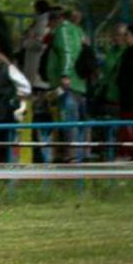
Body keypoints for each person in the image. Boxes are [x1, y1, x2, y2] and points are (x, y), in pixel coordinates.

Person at [46, 9, 89, 161]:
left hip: (68, 83)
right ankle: (82, 154)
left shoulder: (63, 30)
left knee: (69, 119)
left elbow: (67, 52)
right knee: (78, 119)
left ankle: (72, 157)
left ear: (54, 21)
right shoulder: (79, 31)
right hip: (79, 83)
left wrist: (65, 74)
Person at [116, 25, 133, 160]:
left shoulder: (129, 53)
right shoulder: (127, 52)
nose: (125, 37)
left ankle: (128, 152)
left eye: (127, 34)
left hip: (130, 99)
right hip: (126, 99)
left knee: (128, 127)